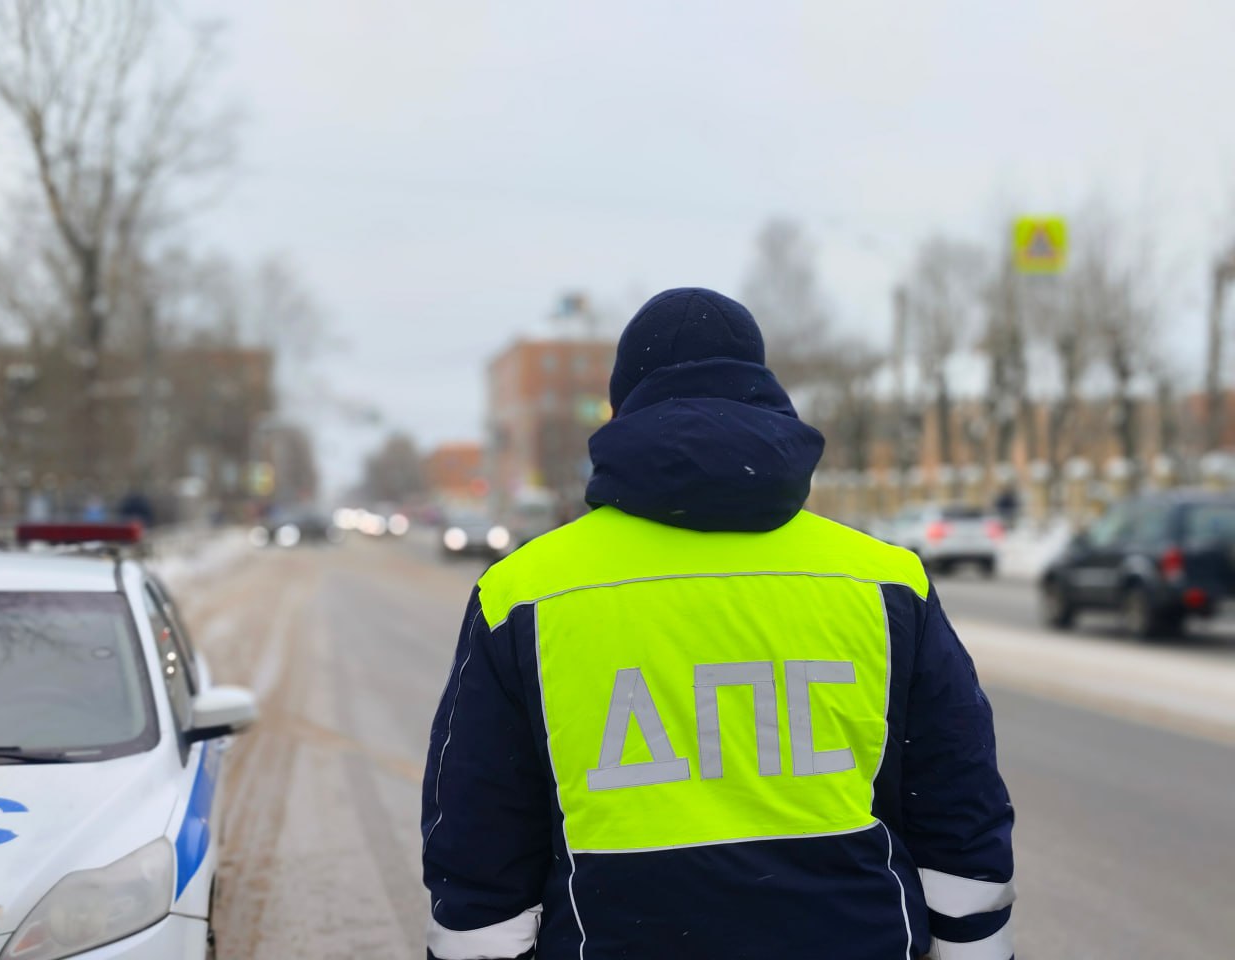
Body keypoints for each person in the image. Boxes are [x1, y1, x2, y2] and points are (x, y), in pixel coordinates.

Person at [422, 288, 1015, 960]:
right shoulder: (884, 581)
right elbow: (957, 801)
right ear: (763, 394)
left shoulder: (524, 593)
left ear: (623, 408)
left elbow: (478, 833)